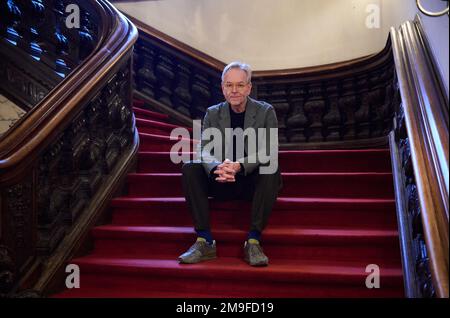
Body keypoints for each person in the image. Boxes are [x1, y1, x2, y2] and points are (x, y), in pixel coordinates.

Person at [178, 61, 282, 266]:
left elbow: (269, 150)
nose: (234, 90)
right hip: (221, 179)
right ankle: (204, 240)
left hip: (251, 182)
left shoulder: (265, 111)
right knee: (190, 167)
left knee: (272, 167)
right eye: (229, 85)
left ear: (249, 87)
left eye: (240, 85)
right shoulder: (213, 113)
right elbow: (203, 149)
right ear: (223, 88)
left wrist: (239, 165)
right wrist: (218, 166)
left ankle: (253, 241)